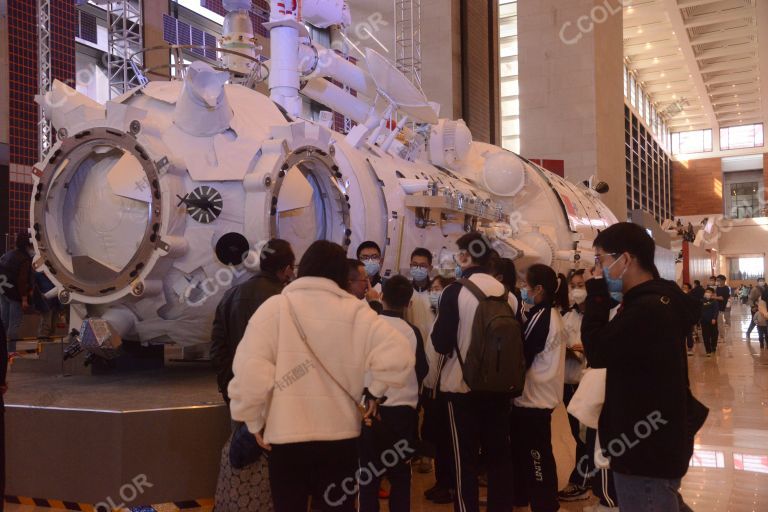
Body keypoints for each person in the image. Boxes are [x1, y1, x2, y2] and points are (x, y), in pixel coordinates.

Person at [228, 240, 414, 512]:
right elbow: (400, 354)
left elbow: (250, 371)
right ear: (340, 274)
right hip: (340, 439)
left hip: (286, 437)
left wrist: (254, 420)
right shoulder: (356, 311)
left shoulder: (275, 308)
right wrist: (374, 390)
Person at [581, 222, 702, 511]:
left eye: (601, 260)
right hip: (653, 440)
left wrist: (596, 293)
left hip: (645, 450)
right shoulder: (659, 300)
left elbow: (598, 351)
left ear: (625, 259)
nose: (598, 269)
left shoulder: (647, 309)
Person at [431, 232, 518, 512]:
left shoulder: (454, 292)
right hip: (500, 390)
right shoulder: (510, 297)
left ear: (466, 256)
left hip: (461, 388)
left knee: (463, 459)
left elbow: (441, 343)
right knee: (498, 456)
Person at [359, 275, 428, 512]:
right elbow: (422, 370)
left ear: (382, 296)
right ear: (409, 304)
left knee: (368, 476)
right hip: (402, 414)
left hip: (370, 411)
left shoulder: (367, 327)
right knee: (400, 475)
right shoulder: (413, 332)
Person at [211, 239, 295, 404]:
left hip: (238, 391)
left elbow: (217, 349)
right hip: (277, 394)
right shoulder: (289, 299)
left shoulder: (230, 296)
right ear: (286, 269)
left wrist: (230, 383)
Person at [511, 264, 567, 512]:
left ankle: (545, 504)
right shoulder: (548, 314)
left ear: (539, 289)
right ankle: (525, 497)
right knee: (531, 453)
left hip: (534, 400)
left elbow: (524, 354)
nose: (523, 289)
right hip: (538, 399)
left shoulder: (542, 316)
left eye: (526, 285)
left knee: (537, 456)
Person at [557, 270, 592, 503]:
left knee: (586, 434)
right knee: (573, 435)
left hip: (587, 383)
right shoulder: (567, 316)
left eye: (581, 285)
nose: (577, 290)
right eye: (573, 286)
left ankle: (585, 480)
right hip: (568, 383)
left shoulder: (600, 316)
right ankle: (578, 476)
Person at [421, 275, 456, 504]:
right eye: (432, 289)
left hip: (442, 389)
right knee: (438, 439)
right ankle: (441, 482)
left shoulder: (448, 319)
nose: (433, 293)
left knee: (445, 442)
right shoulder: (437, 316)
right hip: (432, 387)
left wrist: (434, 386)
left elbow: (442, 355)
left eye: (438, 289)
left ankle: (448, 485)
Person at [0, 232, 34, 342]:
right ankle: (11, 351)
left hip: (3, 291)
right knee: (14, 325)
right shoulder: (24, 259)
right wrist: (24, 299)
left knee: (3, 323)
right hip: (15, 295)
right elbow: (22, 281)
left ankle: (4, 351)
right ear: (27, 244)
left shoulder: (8, 254)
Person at [700, 288, 719, 356]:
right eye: (706, 292)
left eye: (709, 292)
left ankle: (713, 347)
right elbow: (699, 311)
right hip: (704, 321)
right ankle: (708, 350)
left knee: (714, 335)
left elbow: (716, 311)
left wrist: (714, 318)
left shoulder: (714, 302)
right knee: (705, 336)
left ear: (712, 294)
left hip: (712, 321)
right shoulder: (701, 301)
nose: (707, 293)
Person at [681, 283, 695, 355]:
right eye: (683, 287)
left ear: (689, 289)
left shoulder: (691, 297)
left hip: (689, 318)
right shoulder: (679, 296)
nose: (684, 289)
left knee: (689, 334)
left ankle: (690, 348)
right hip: (681, 318)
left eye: (686, 288)